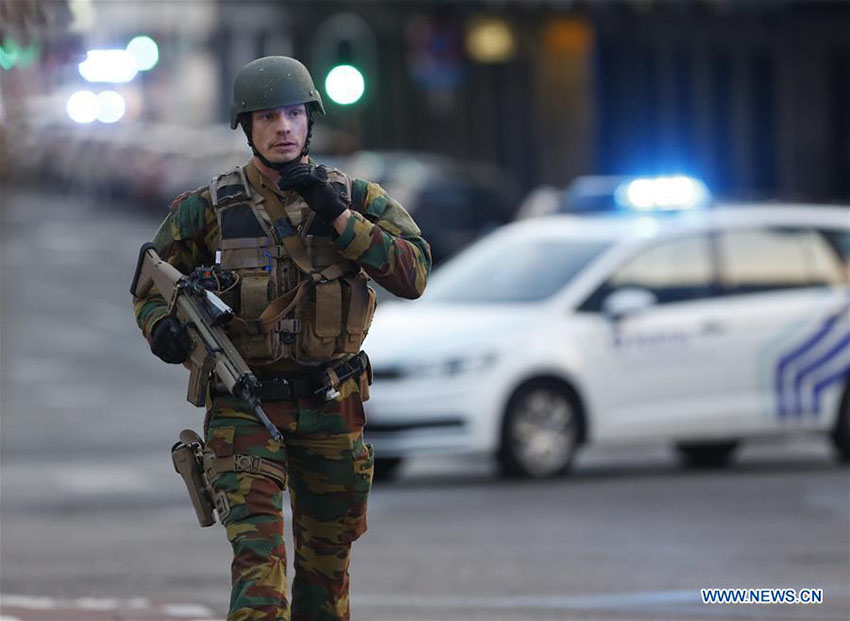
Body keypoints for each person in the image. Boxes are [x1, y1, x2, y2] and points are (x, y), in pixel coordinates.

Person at [133, 56, 431, 621]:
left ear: (310, 121)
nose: (283, 128)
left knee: (327, 569)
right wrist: (162, 328)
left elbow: (413, 273)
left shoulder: (354, 196)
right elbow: (150, 281)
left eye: (294, 113)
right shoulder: (209, 207)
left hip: (331, 403)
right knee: (259, 569)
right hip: (245, 404)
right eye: (267, 116)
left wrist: (339, 218)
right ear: (247, 128)